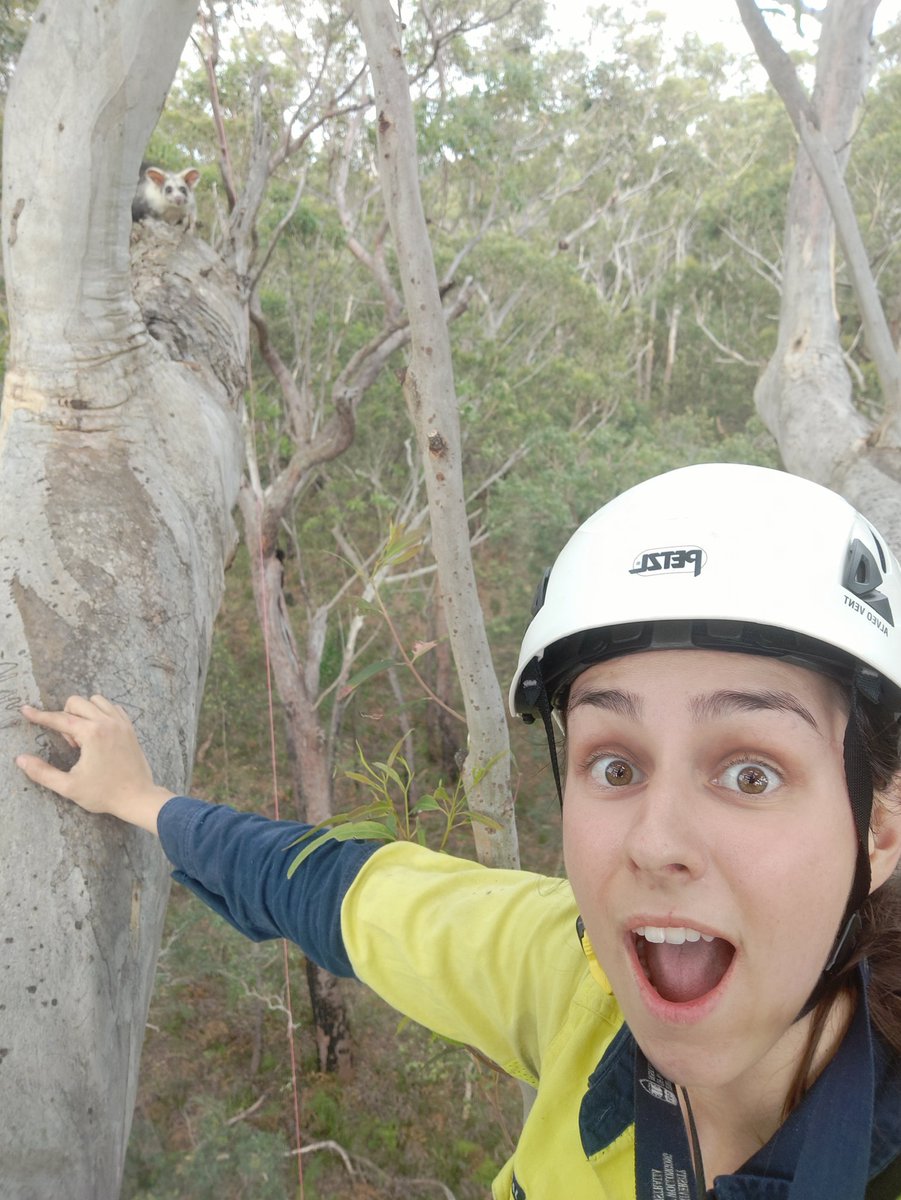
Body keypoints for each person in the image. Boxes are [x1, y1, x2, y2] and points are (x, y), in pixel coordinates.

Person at [16, 463, 901, 1200]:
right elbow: (327, 889)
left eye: (750, 773)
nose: (653, 841)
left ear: (880, 829)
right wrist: (143, 803)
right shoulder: (577, 977)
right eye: (615, 766)